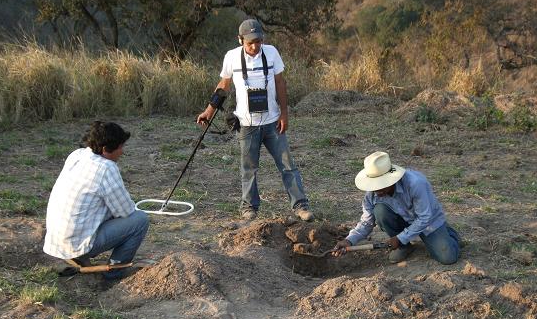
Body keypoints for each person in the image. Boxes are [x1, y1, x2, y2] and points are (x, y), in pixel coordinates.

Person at [197, 19, 313, 222]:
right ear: (240, 40)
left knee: (287, 165)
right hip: (247, 124)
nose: (254, 46)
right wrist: (209, 110)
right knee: (249, 168)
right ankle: (249, 208)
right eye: (250, 42)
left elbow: (280, 82)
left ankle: (301, 206)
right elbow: (224, 85)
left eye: (258, 41)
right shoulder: (232, 57)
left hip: (273, 122)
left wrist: (284, 114)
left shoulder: (272, 52)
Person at [43, 121, 149, 280]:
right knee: (140, 220)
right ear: (106, 149)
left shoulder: (77, 155)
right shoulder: (106, 168)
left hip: (57, 239)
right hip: (75, 242)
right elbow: (126, 211)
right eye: (120, 147)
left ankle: (76, 257)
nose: (122, 152)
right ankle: (114, 273)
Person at [333, 151, 460, 264]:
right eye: (374, 186)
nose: (377, 191)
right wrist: (349, 241)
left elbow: (425, 217)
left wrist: (400, 238)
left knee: (448, 257)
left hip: (429, 222)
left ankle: (450, 234)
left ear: (391, 180)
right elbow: (366, 222)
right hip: (404, 222)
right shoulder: (372, 195)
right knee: (380, 211)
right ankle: (404, 246)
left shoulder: (415, 184)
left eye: (381, 185)